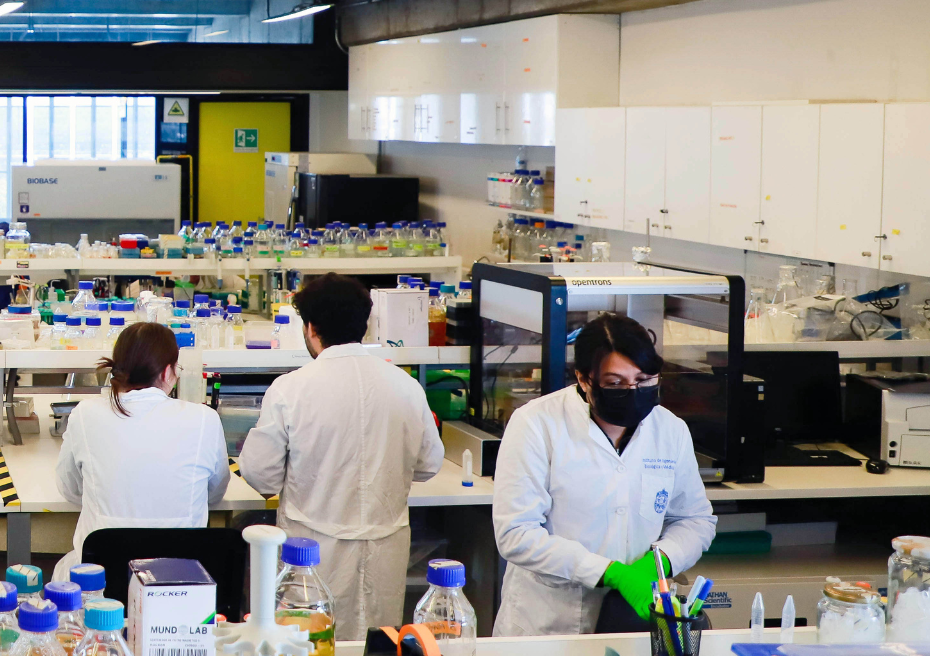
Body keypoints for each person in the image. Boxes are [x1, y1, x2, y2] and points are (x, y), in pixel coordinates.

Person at [237, 273, 445, 638]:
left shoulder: (291, 388)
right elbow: (429, 464)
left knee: (313, 642)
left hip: (311, 556)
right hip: (384, 550)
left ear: (310, 328)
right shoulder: (407, 386)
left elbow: (261, 475)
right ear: (364, 325)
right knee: (376, 643)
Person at [491, 314, 715, 635]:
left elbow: (695, 520)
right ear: (584, 380)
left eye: (643, 380)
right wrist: (609, 572)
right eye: (615, 383)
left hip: (633, 620)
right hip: (550, 623)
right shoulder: (536, 424)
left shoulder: (670, 429)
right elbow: (516, 533)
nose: (632, 390)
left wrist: (660, 561)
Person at [53, 322, 230, 581]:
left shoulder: (85, 413)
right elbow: (214, 494)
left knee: (64, 571)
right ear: (168, 371)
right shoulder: (205, 419)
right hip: (180, 582)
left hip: (102, 581)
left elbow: (68, 489)